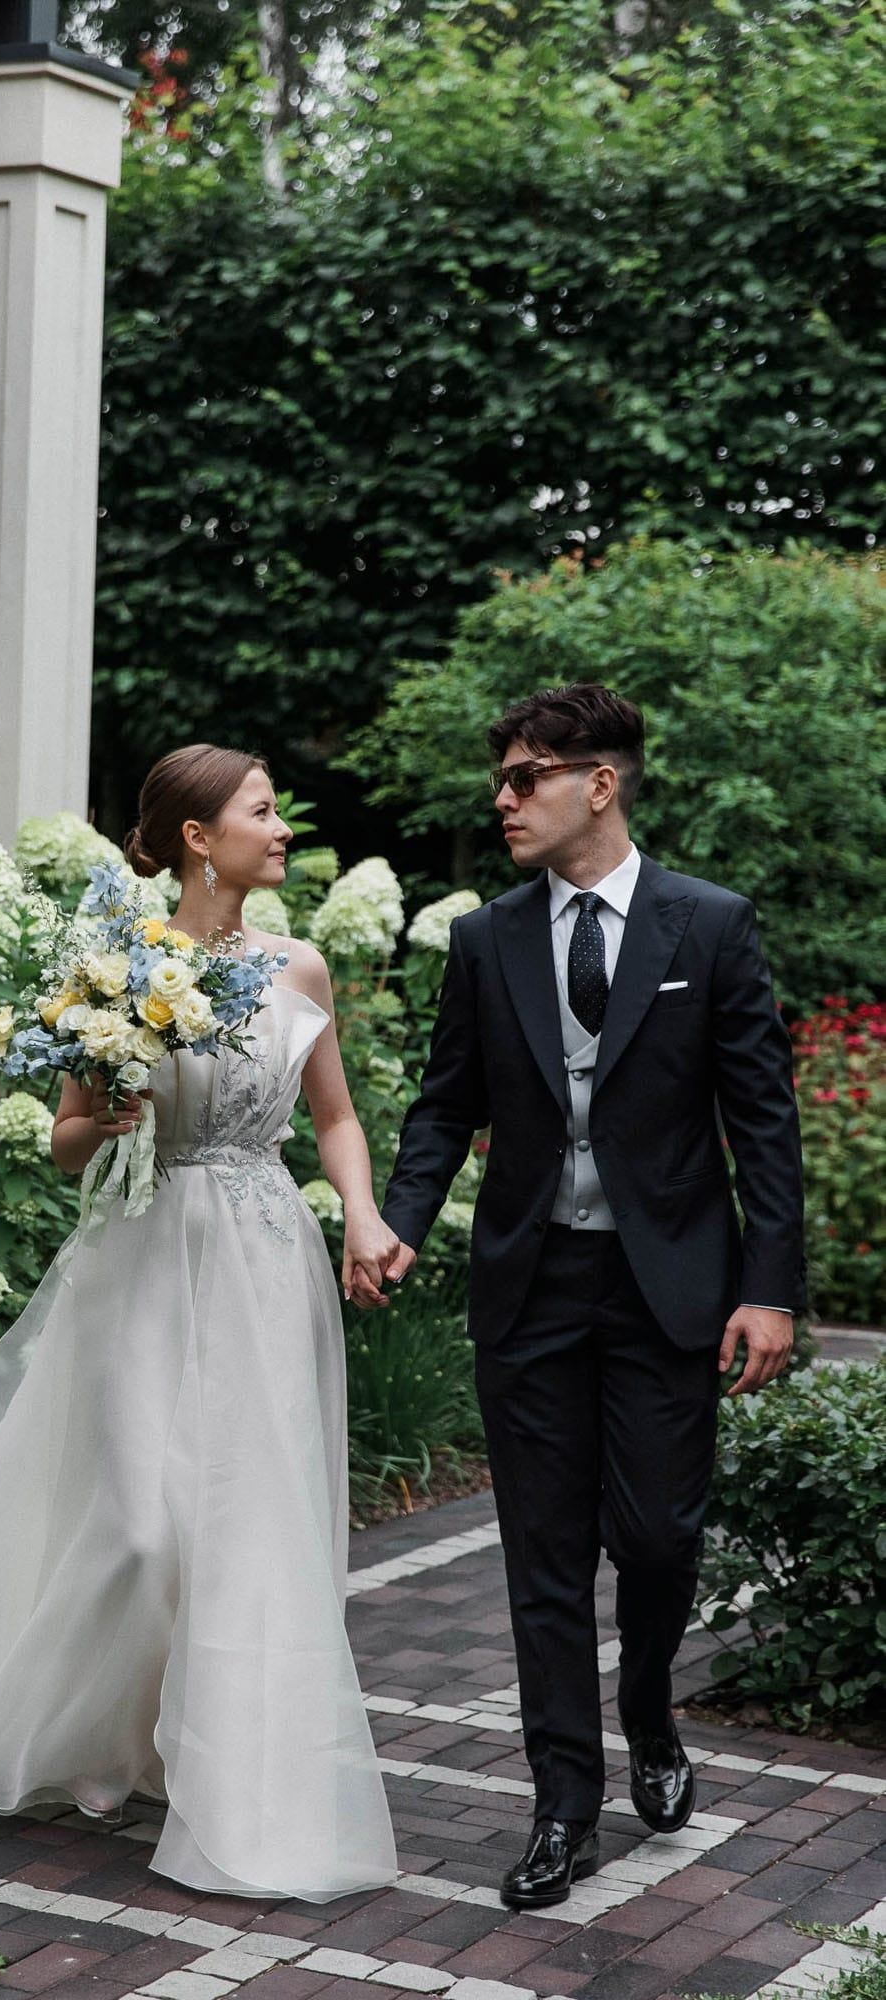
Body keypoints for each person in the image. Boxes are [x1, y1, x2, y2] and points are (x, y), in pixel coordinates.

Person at [0, 745, 399, 1903]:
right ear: (197, 837)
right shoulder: (111, 962)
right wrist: (105, 1111)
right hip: (143, 1252)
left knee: (247, 1513)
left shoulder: (299, 963)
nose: (283, 828)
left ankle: (209, 1750)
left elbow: (338, 1115)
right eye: (262, 811)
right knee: (138, 1524)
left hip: (263, 1252)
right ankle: (91, 1730)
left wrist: (361, 1215)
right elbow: (63, 1139)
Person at [353, 684, 803, 1910]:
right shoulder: (487, 937)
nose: (502, 799)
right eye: (501, 779)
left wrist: (769, 1288)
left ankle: (648, 1702)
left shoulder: (706, 925)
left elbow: (761, 1123)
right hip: (530, 1280)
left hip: (668, 1288)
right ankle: (562, 1802)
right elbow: (449, 1099)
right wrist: (396, 1216)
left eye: (524, 778)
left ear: (596, 783)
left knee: (656, 1535)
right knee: (543, 1556)